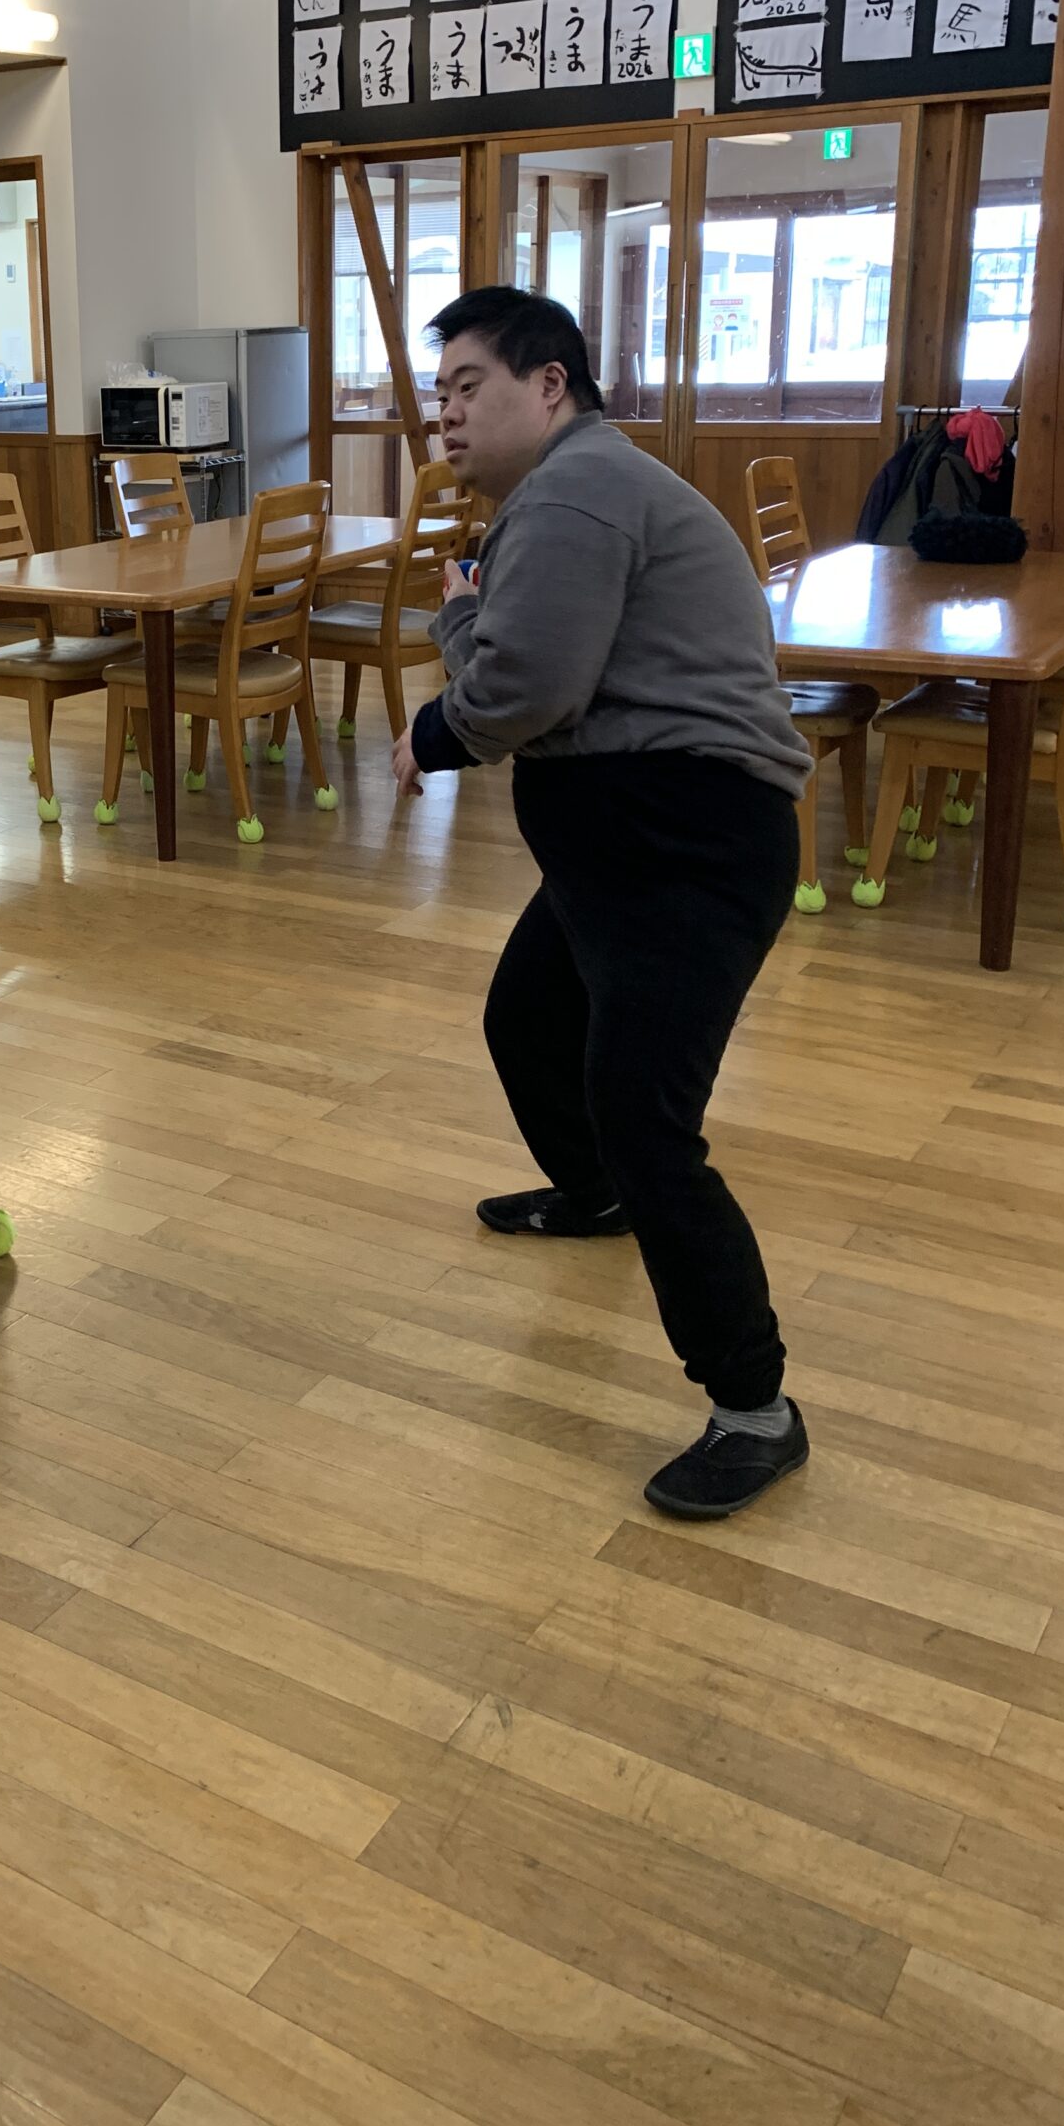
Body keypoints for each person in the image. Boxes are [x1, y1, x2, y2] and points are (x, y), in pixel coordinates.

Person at [392, 286, 813, 1520]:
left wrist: (436, 713)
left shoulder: (575, 492)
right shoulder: (566, 493)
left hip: (685, 851)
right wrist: (469, 622)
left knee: (646, 1117)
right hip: (621, 854)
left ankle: (756, 1409)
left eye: (469, 385)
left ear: (551, 386)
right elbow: (517, 657)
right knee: (528, 1020)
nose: (446, 414)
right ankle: (599, 1195)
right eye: (440, 392)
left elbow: (523, 688)